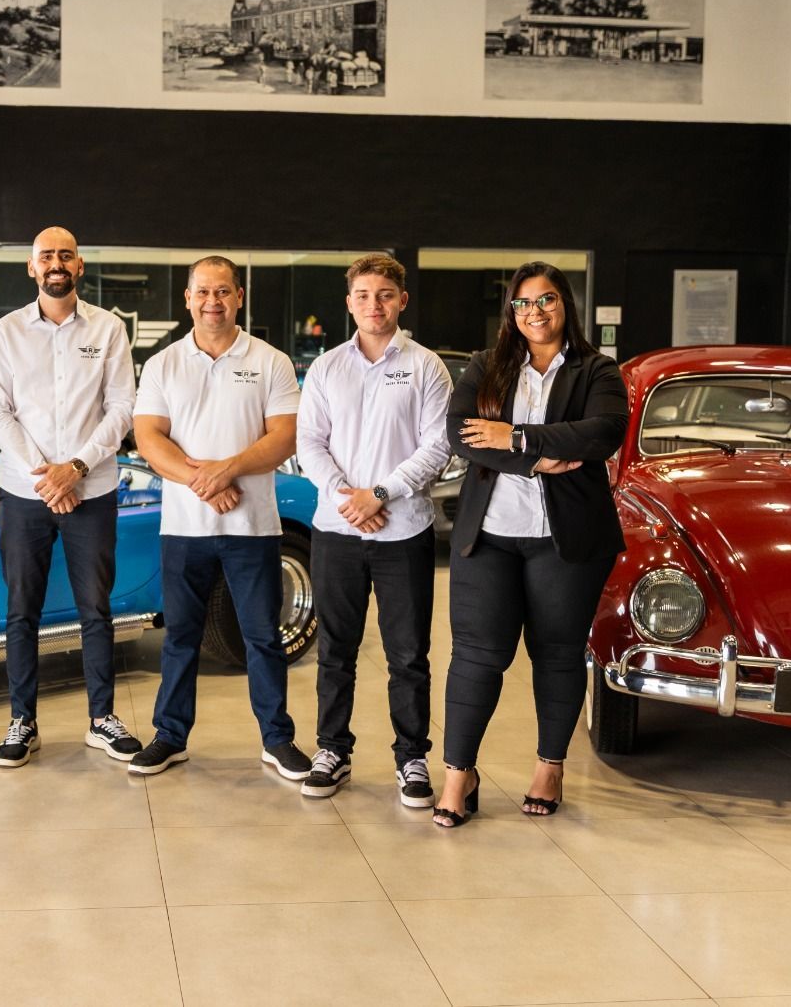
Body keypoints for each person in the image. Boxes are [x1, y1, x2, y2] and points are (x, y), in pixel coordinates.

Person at [431, 261, 628, 827]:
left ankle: (549, 766)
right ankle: (458, 774)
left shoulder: (597, 370)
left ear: (564, 305)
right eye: (523, 303)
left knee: (558, 654)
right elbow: (462, 434)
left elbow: (602, 433)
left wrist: (515, 436)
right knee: (475, 655)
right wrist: (542, 457)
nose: (534, 312)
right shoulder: (487, 367)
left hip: (566, 540)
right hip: (488, 535)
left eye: (546, 301)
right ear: (510, 312)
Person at [129, 256, 311, 781]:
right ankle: (170, 735)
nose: (213, 301)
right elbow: (149, 437)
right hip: (185, 528)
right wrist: (201, 482)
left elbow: (284, 436)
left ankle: (278, 741)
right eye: (203, 292)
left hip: (252, 527)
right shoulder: (163, 364)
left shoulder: (271, 361)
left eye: (224, 292)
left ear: (239, 297)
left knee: (262, 637)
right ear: (187, 298)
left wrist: (226, 470)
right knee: (180, 637)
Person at [295, 254, 451, 807]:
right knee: (335, 648)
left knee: (407, 654)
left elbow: (437, 446)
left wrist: (379, 495)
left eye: (384, 294)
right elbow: (308, 442)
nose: (374, 304)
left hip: (402, 531)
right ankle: (331, 748)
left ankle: (412, 758)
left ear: (402, 301)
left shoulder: (428, 367)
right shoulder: (326, 368)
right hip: (336, 531)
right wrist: (347, 498)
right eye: (363, 295)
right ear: (349, 303)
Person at [0, 226, 140, 767]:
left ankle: (101, 719)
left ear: (79, 265)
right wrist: (45, 475)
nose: (56, 263)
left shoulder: (109, 329)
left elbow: (122, 408)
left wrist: (75, 468)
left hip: (91, 490)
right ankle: (22, 721)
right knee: (20, 610)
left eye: (65, 255)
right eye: (46, 255)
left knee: (96, 608)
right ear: (32, 267)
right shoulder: (6, 332)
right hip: (26, 494)